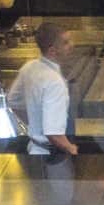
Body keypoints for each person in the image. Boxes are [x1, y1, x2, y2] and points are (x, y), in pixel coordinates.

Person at [9, 22, 78, 155]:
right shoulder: (55, 83)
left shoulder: (29, 67)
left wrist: (36, 124)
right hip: (53, 156)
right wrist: (71, 149)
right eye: (66, 43)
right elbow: (53, 134)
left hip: (34, 148)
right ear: (52, 50)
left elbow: (13, 101)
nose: (72, 45)